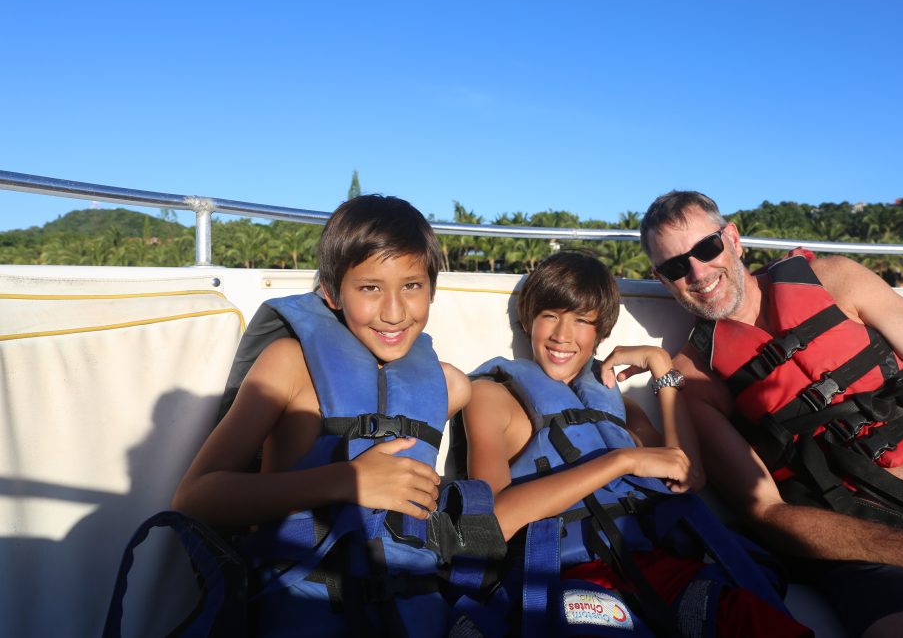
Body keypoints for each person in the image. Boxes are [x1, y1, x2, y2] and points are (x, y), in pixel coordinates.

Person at [637, 190, 903, 637]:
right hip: (880, 556)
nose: (698, 273)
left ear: (733, 239)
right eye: (675, 267)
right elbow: (767, 514)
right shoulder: (696, 379)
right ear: (661, 279)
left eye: (706, 249)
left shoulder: (837, 279)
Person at [171, 195, 501, 637]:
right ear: (332, 293)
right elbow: (194, 498)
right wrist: (347, 481)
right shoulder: (288, 365)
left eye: (412, 286)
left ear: (432, 290)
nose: (394, 311)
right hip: (303, 602)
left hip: (415, 608)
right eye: (370, 288)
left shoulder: (449, 386)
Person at [461, 250, 810, 637]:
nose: (562, 335)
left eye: (581, 321)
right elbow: (492, 523)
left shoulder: (614, 404)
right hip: (567, 575)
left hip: (658, 568)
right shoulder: (491, 397)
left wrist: (662, 365)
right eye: (550, 316)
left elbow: (688, 476)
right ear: (528, 321)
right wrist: (622, 462)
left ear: (601, 335)